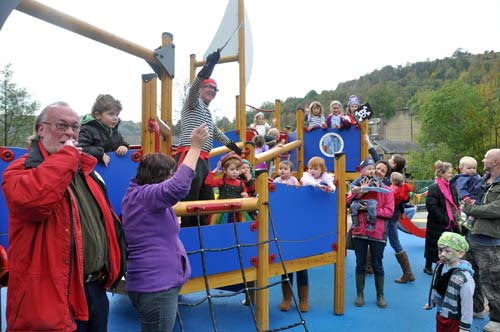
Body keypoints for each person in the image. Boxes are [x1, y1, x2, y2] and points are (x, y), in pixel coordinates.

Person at [1, 102, 125, 331]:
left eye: (75, 127)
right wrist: (67, 157)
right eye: (62, 126)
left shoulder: (86, 173)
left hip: (95, 290)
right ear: (40, 129)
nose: (70, 132)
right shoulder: (20, 171)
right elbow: (34, 202)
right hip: (52, 296)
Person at [121, 124, 208, 332]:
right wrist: (195, 147)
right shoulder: (145, 196)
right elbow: (178, 187)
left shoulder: (140, 196)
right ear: (158, 177)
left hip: (157, 285)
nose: (172, 178)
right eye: (170, 174)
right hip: (156, 288)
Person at [176, 50, 242, 227]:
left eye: (214, 89)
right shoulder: (192, 103)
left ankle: (204, 230)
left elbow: (216, 133)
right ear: (201, 89)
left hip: (204, 159)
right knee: (190, 197)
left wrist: (232, 146)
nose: (212, 90)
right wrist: (209, 66)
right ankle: (189, 232)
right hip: (191, 155)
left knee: (206, 197)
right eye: (208, 87)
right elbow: (195, 86)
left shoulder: (206, 112)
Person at [462, 149, 500, 332]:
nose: (483, 160)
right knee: (470, 275)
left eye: (486, 158)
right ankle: (477, 308)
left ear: (495, 162)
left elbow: (495, 210)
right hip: (473, 235)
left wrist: (471, 209)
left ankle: (497, 319)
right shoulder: (483, 181)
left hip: (490, 241)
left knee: (492, 281)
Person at [351, 169, 395, 308]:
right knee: (360, 263)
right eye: (377, 170)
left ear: (385, 174)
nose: (379, 172)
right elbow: (347, 201)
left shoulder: (387, 191)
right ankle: (360, 294)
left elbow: (389, 211)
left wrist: (370, 210)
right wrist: (361, 192)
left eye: (382, 170)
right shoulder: (358, 186)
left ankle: (380, 295)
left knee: (377, 264)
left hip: (378, 232)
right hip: (359, 231)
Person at [424, 232, 474, 332]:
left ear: (460, 253)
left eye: (447, 251)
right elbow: (435, 285)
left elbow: (467, 303)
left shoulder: (464, 277)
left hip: (454, 318)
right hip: (440, 312)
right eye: (440, 250)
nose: (442, 254)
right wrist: (431, 302)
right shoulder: (440, 266)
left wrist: (465, 326)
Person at [424, 160, 461, 275]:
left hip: (450, 221)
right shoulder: (434, 188)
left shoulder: (451, 187)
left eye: (451, 172)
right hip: (437, 222)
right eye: (449, 172)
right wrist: (444, 218)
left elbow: (455, 202)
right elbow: (431, 206)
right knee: (433, 244)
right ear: (441, 173)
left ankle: (444, 264)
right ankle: (428, 265)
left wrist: (456, 216)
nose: (451, 174)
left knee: (447, 245)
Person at [78, 94, 129, 166]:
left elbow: (122, 143)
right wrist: (99, 154)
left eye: (117, 114)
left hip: (111, 168)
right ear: (98, 115)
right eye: (111, 114)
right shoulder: (87, 129)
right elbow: (81, 148)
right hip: (93, 170)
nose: (115, 118)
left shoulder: (114, 131)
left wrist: (124, 147)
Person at [204, 152, 253, 224]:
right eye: (232, 169)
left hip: (237, 212)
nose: (235, 172)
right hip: (223, 211)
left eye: (237, 169)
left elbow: (245, 195)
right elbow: (208, 183)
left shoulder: (241, 183)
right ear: (225, 170)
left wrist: (245, 196)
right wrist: (215, 170)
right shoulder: (222, 181)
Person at [388, 171, 416, 283]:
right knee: (386, 238)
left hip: (389, 214)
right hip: (396, 213)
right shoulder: (403, 189)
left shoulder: (393, 190)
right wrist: (402, 211)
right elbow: (402, 202)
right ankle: (408, 272)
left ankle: (408, 273)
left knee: (391, 240)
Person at [349, 158, 383, 230]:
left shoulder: (375, 179)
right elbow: (351, 186)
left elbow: (383, 186)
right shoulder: (360, 179)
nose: (371, 171)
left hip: (371, 199)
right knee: (353, 206)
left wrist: (379, 186)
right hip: (360, 199)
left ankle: (372, 224)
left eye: (373, 169)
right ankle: (355, 222)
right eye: (369, 169)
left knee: (372, 207)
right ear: (363, 171)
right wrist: (356, 188)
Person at [450, 156, 481, 230]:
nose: (472, 170)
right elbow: (461, 189)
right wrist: (465, 197)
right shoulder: (462, 178)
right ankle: (468, 222)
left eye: (474, 168)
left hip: (476, 195)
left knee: (477, 208)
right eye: (469, 168)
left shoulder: (476, 176)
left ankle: (469, 221)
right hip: (469, 197)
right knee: (474, 209)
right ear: (461, 169)